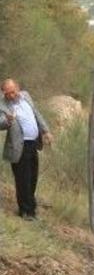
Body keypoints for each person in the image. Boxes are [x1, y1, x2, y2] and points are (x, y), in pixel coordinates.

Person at [0, 79, 53, 221]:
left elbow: (36, 114)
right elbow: (0, 123)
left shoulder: (26, 96)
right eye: (7, 93)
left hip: (33, 143)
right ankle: (26, 211)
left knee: (33, 177)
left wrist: (46, 131)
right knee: (23, 179)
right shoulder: (2, 104)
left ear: (17, 88)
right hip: (19, 146)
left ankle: (31, 209)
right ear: (3, 93)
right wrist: (8, 120)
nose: (11, 95)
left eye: (13, 92)